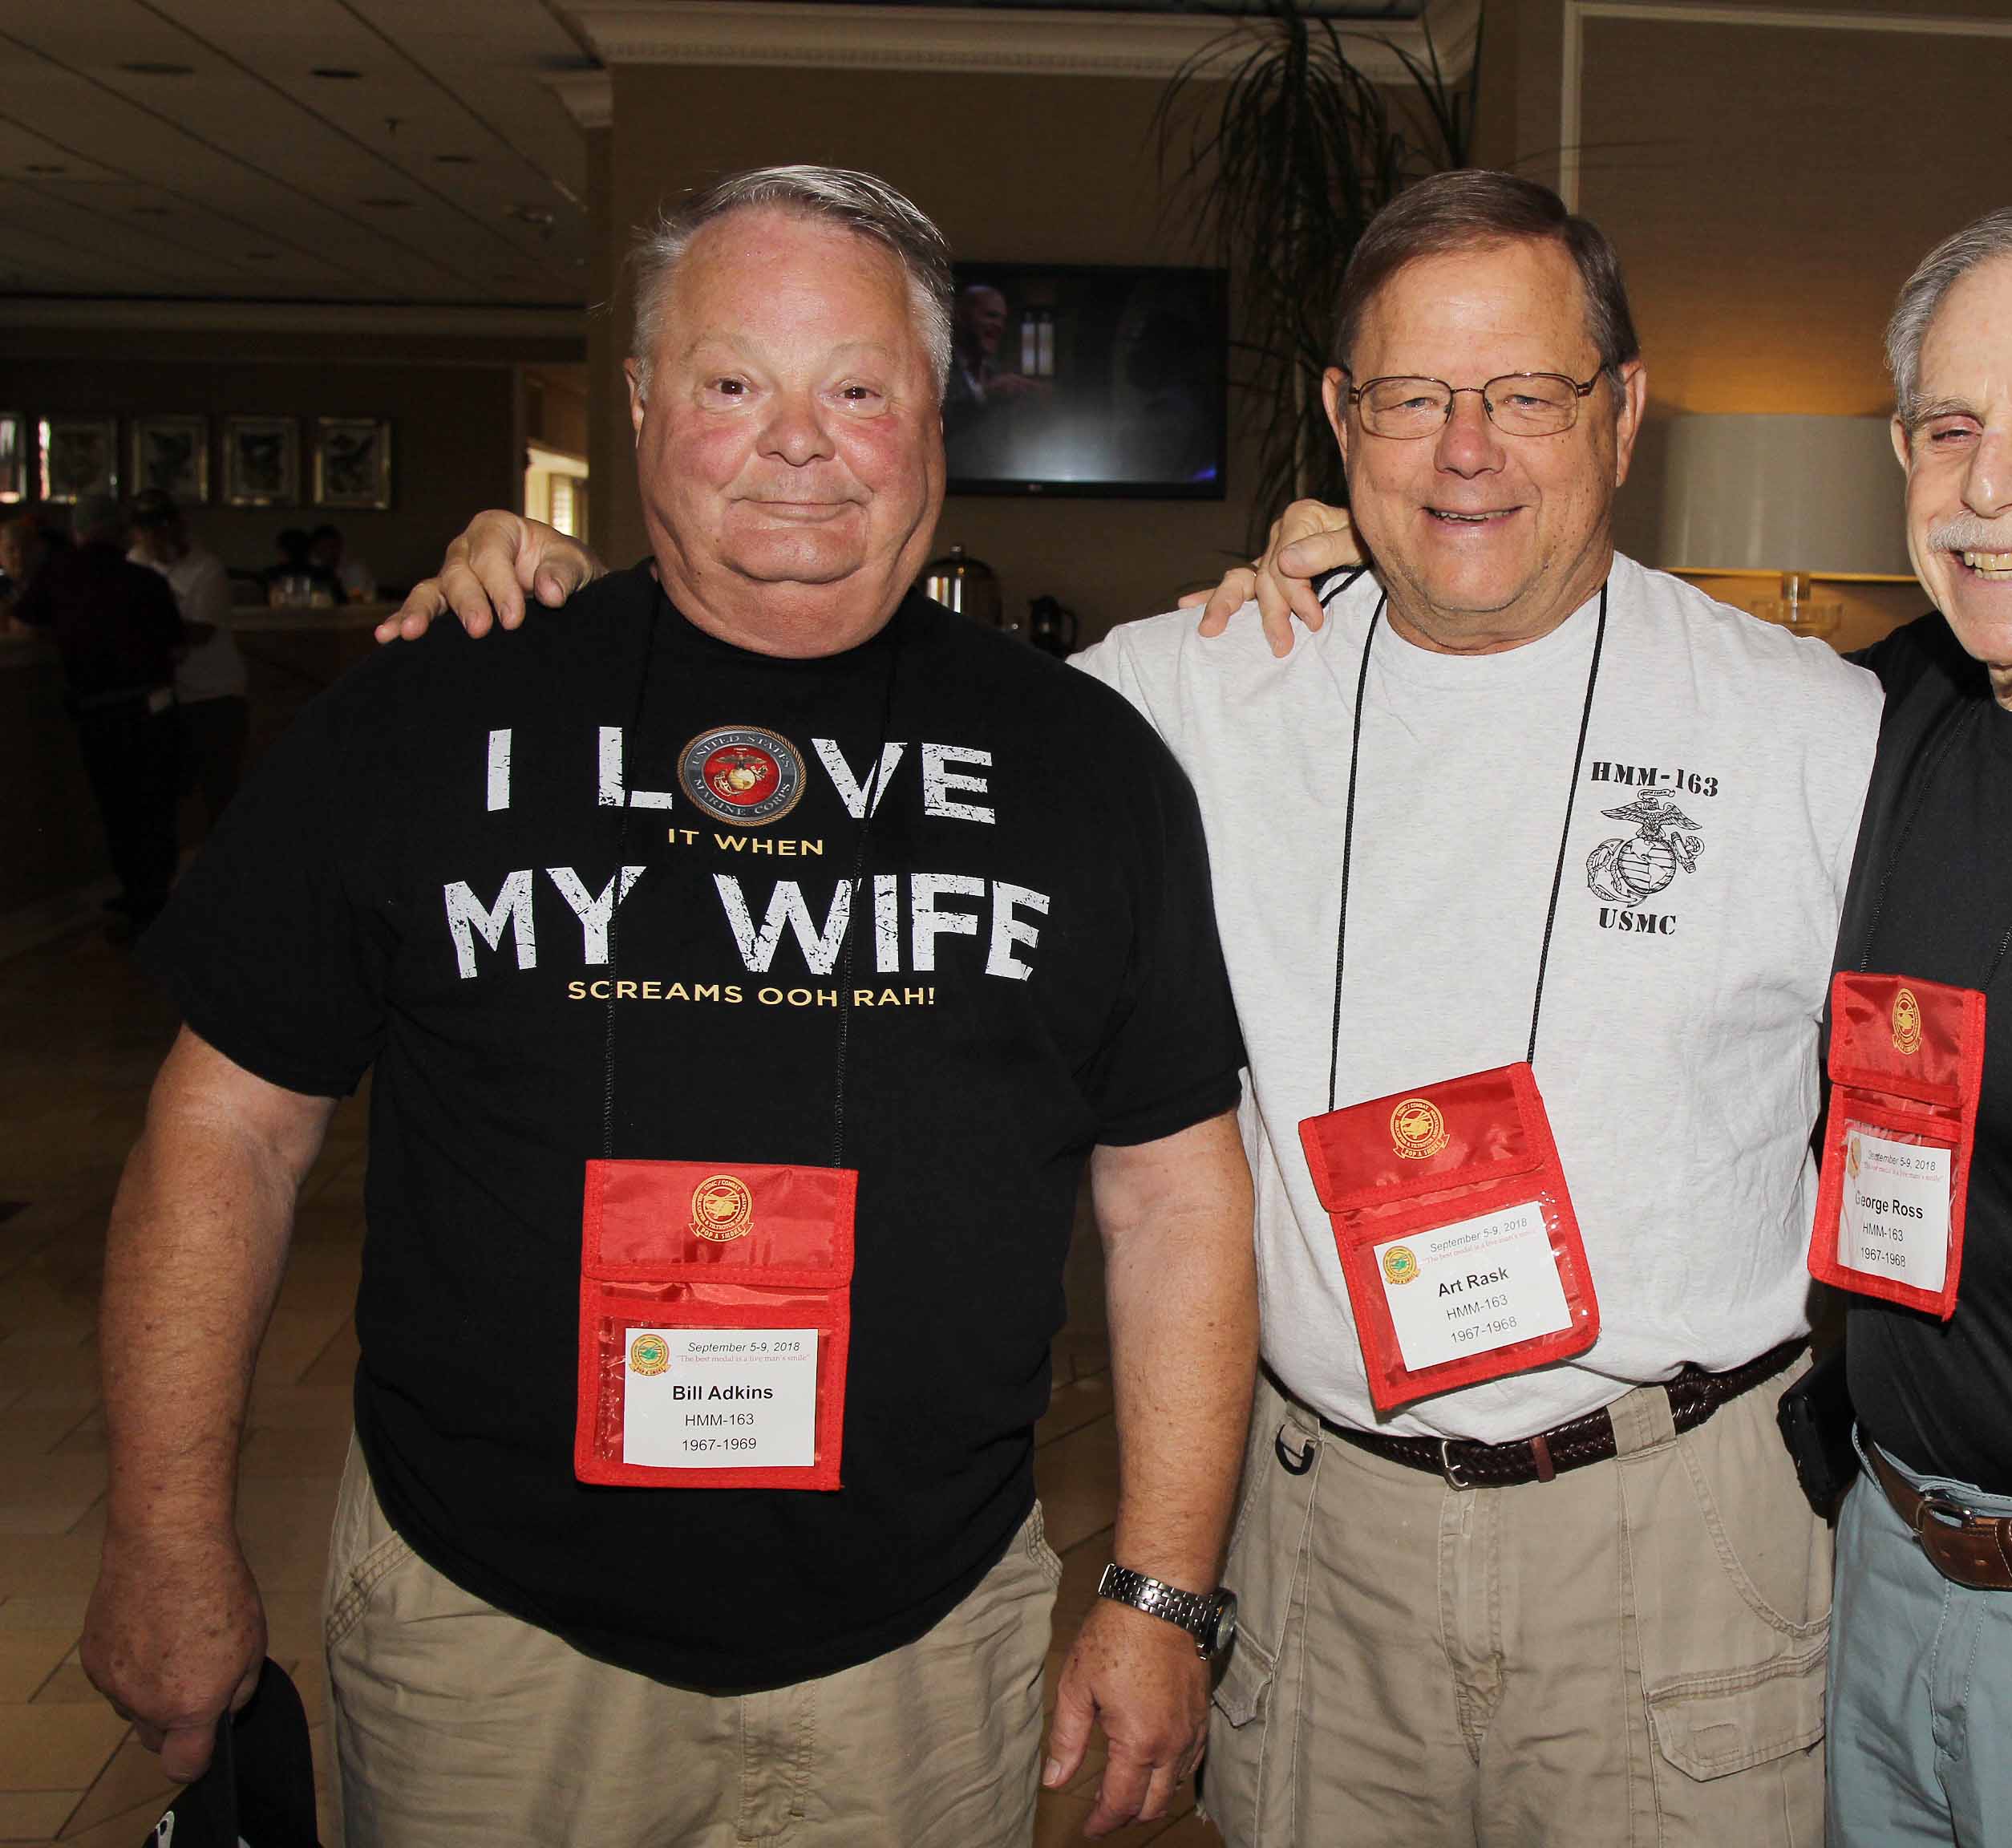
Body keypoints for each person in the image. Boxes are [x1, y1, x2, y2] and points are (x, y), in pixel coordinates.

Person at [390, 167, 1882, 1845]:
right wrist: (559, 598)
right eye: (1412, 398)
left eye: (1529, 394)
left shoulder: (1818, 730)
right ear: (1341, 419)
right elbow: (818, 679)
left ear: (1623, 411)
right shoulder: (1178, 694)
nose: (1467, 450)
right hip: (1322, 1535)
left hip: (1677, 1533)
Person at [1199, 205, 2012, 1847]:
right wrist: (1363, 554)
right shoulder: (1884, 717)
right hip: (1887, 1586)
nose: (1990, 487)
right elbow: (1573, 687)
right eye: (1949, 428)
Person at [79, 164, 1255, 1848]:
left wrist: (1162, 1591)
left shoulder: (1086, 765)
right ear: (641, 402)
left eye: (858, 389)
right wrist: (164, 1534)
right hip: (493, 1637)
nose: (800, 443)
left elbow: (1175, 1196)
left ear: (938, 416)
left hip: (923, 1650)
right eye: (732, 383)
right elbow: (228, 1133)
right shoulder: (434, 709)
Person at [15, 492, 183, 938]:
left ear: (78, 532)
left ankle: (139, 895)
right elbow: (175, 644)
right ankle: (151, 898)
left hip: (98, 712)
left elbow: (25, 623)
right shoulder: (145, 581)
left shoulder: (58, 573)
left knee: (118, 809)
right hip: (150, 709)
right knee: (154, 807)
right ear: (122, 533)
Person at [128, 488, 250, 826]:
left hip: (215, 696)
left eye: (163, 524)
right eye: (147, 527)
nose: (156, 534)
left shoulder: (206, 569)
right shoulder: (135, 563)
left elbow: (200, 632)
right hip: (165, 698)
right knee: (167, 795)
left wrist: (147, 627)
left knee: (220, 790)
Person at [307, 524, 376, 603]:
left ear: (339, 547)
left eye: (330, 547)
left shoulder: (354, 569)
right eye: (322, 548)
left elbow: (356, 601)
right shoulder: (314, 569)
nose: (327, 552)